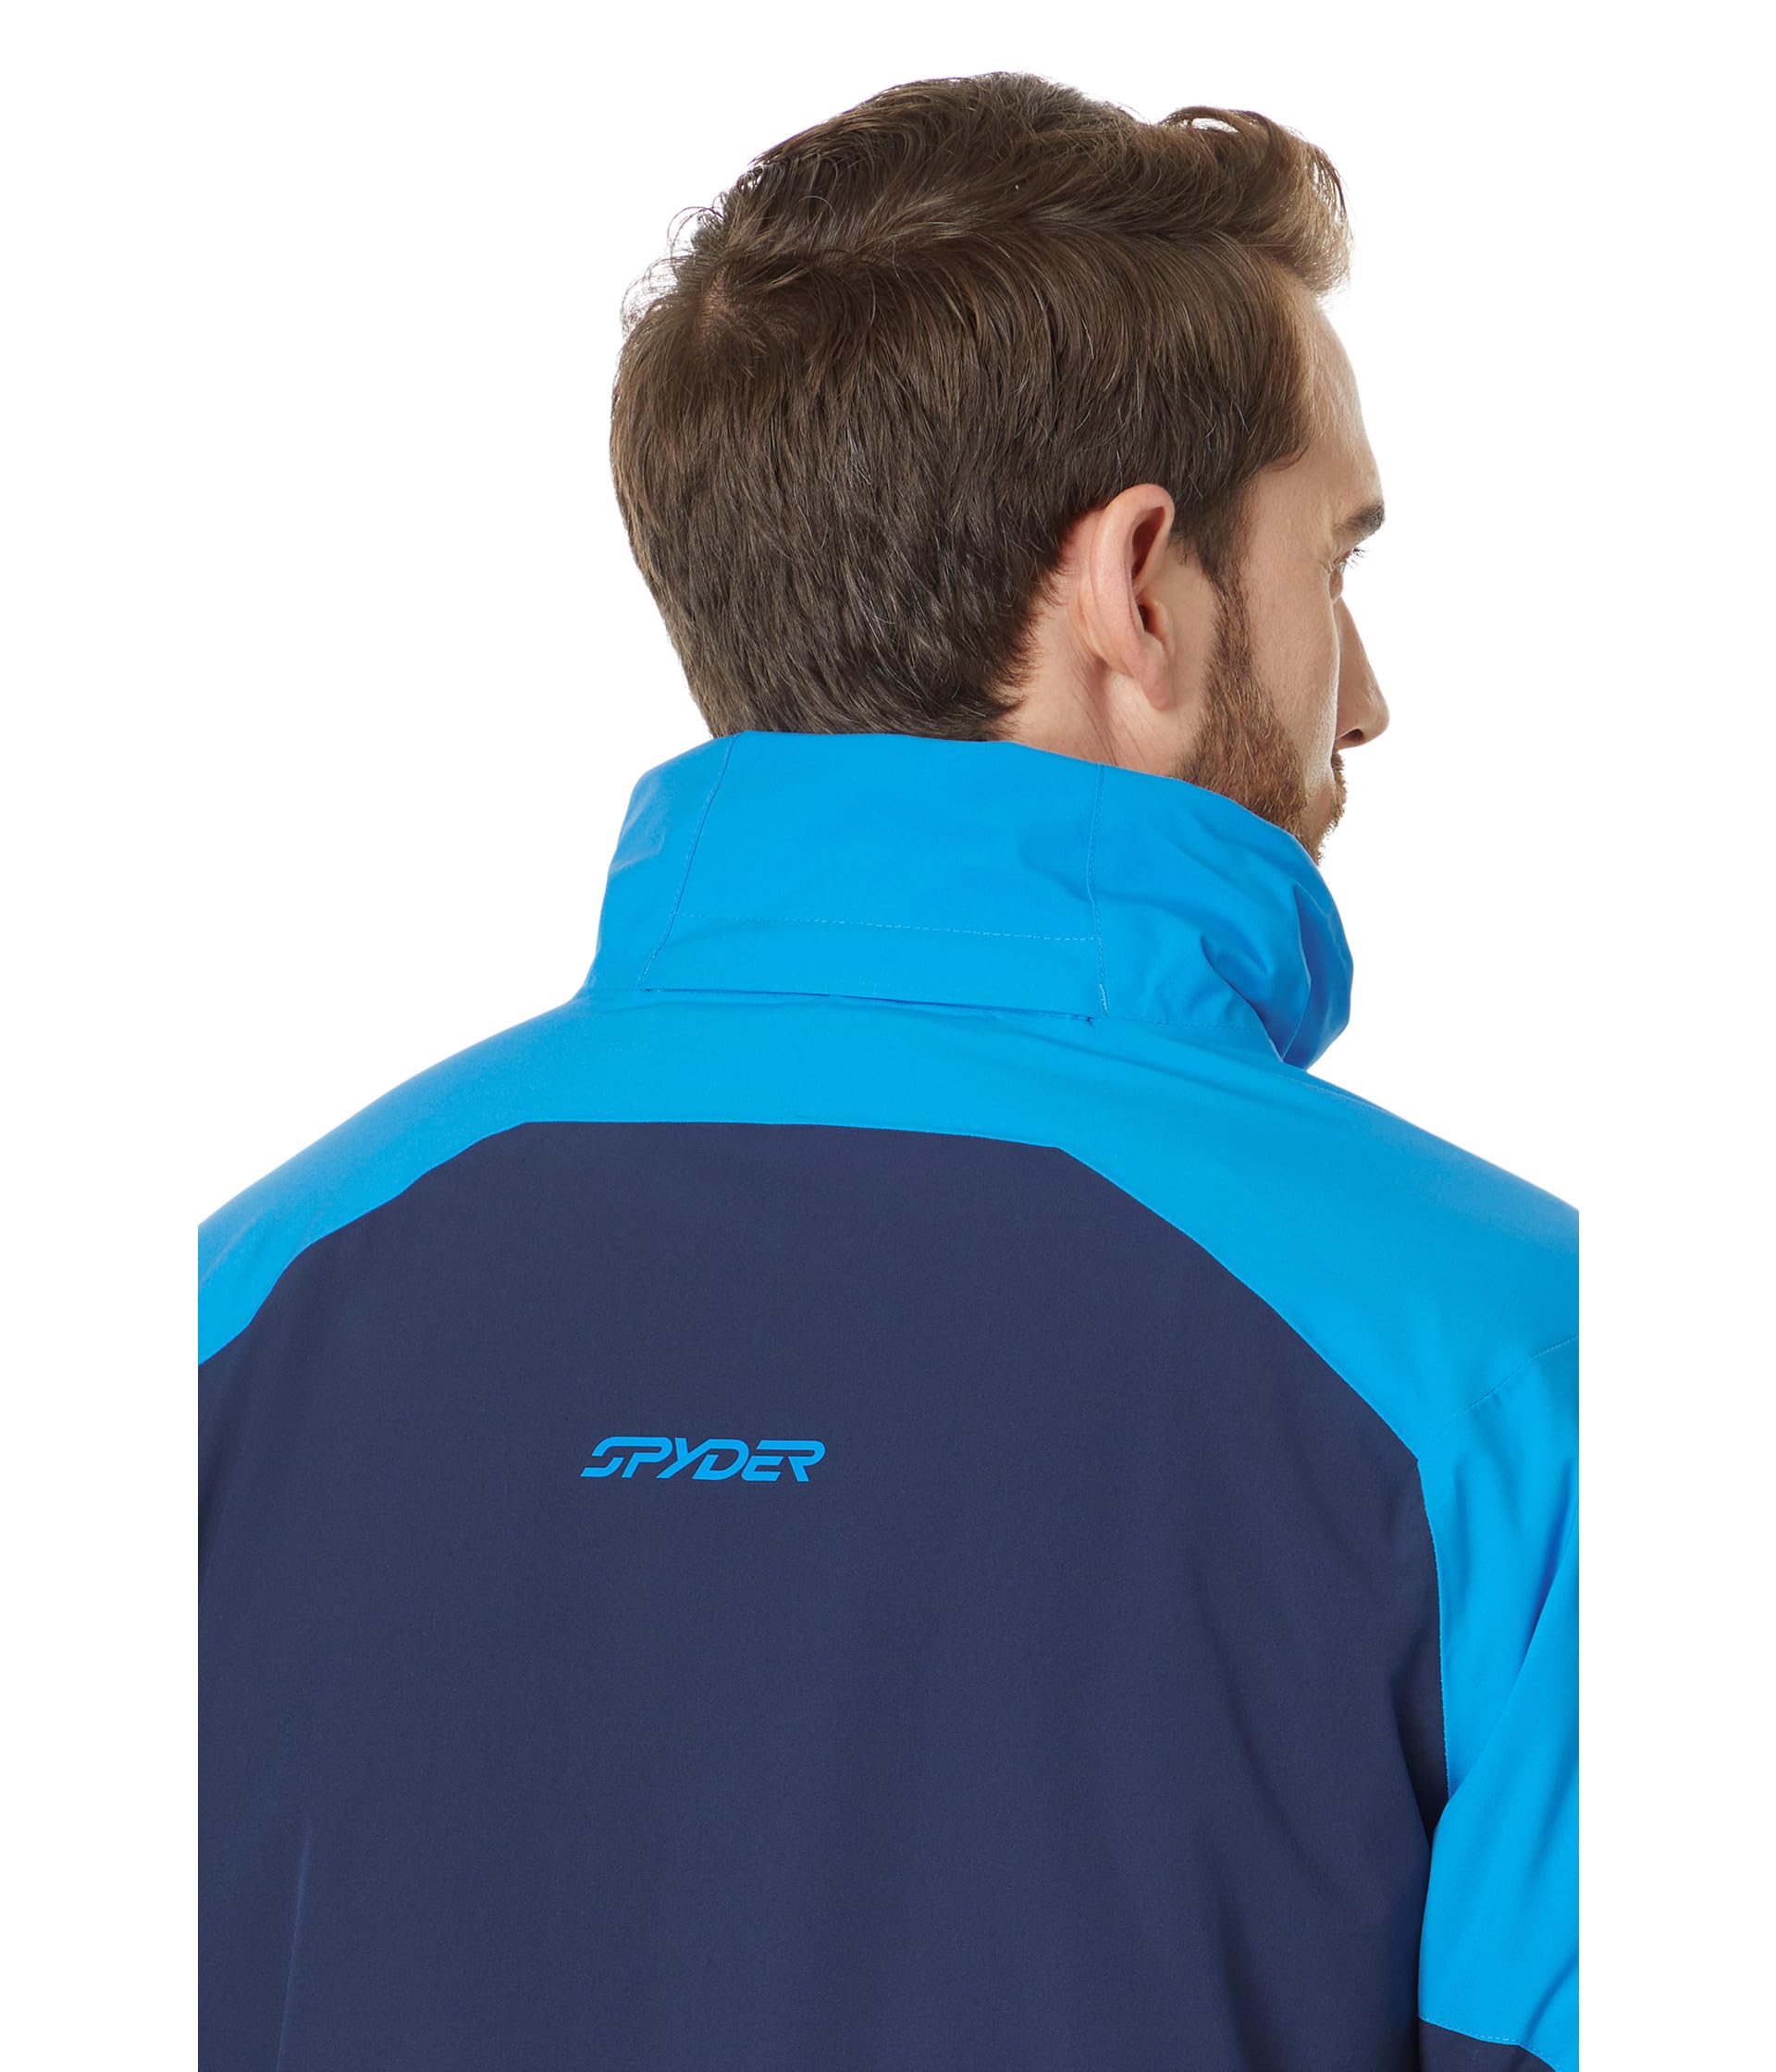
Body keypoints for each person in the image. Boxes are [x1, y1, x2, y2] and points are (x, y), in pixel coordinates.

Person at [199, 73, 1578, 2072]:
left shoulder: (226, 1319)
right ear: (1139, 583)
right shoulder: (1515, 1370)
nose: (1364, 698)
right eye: (1338, 563)